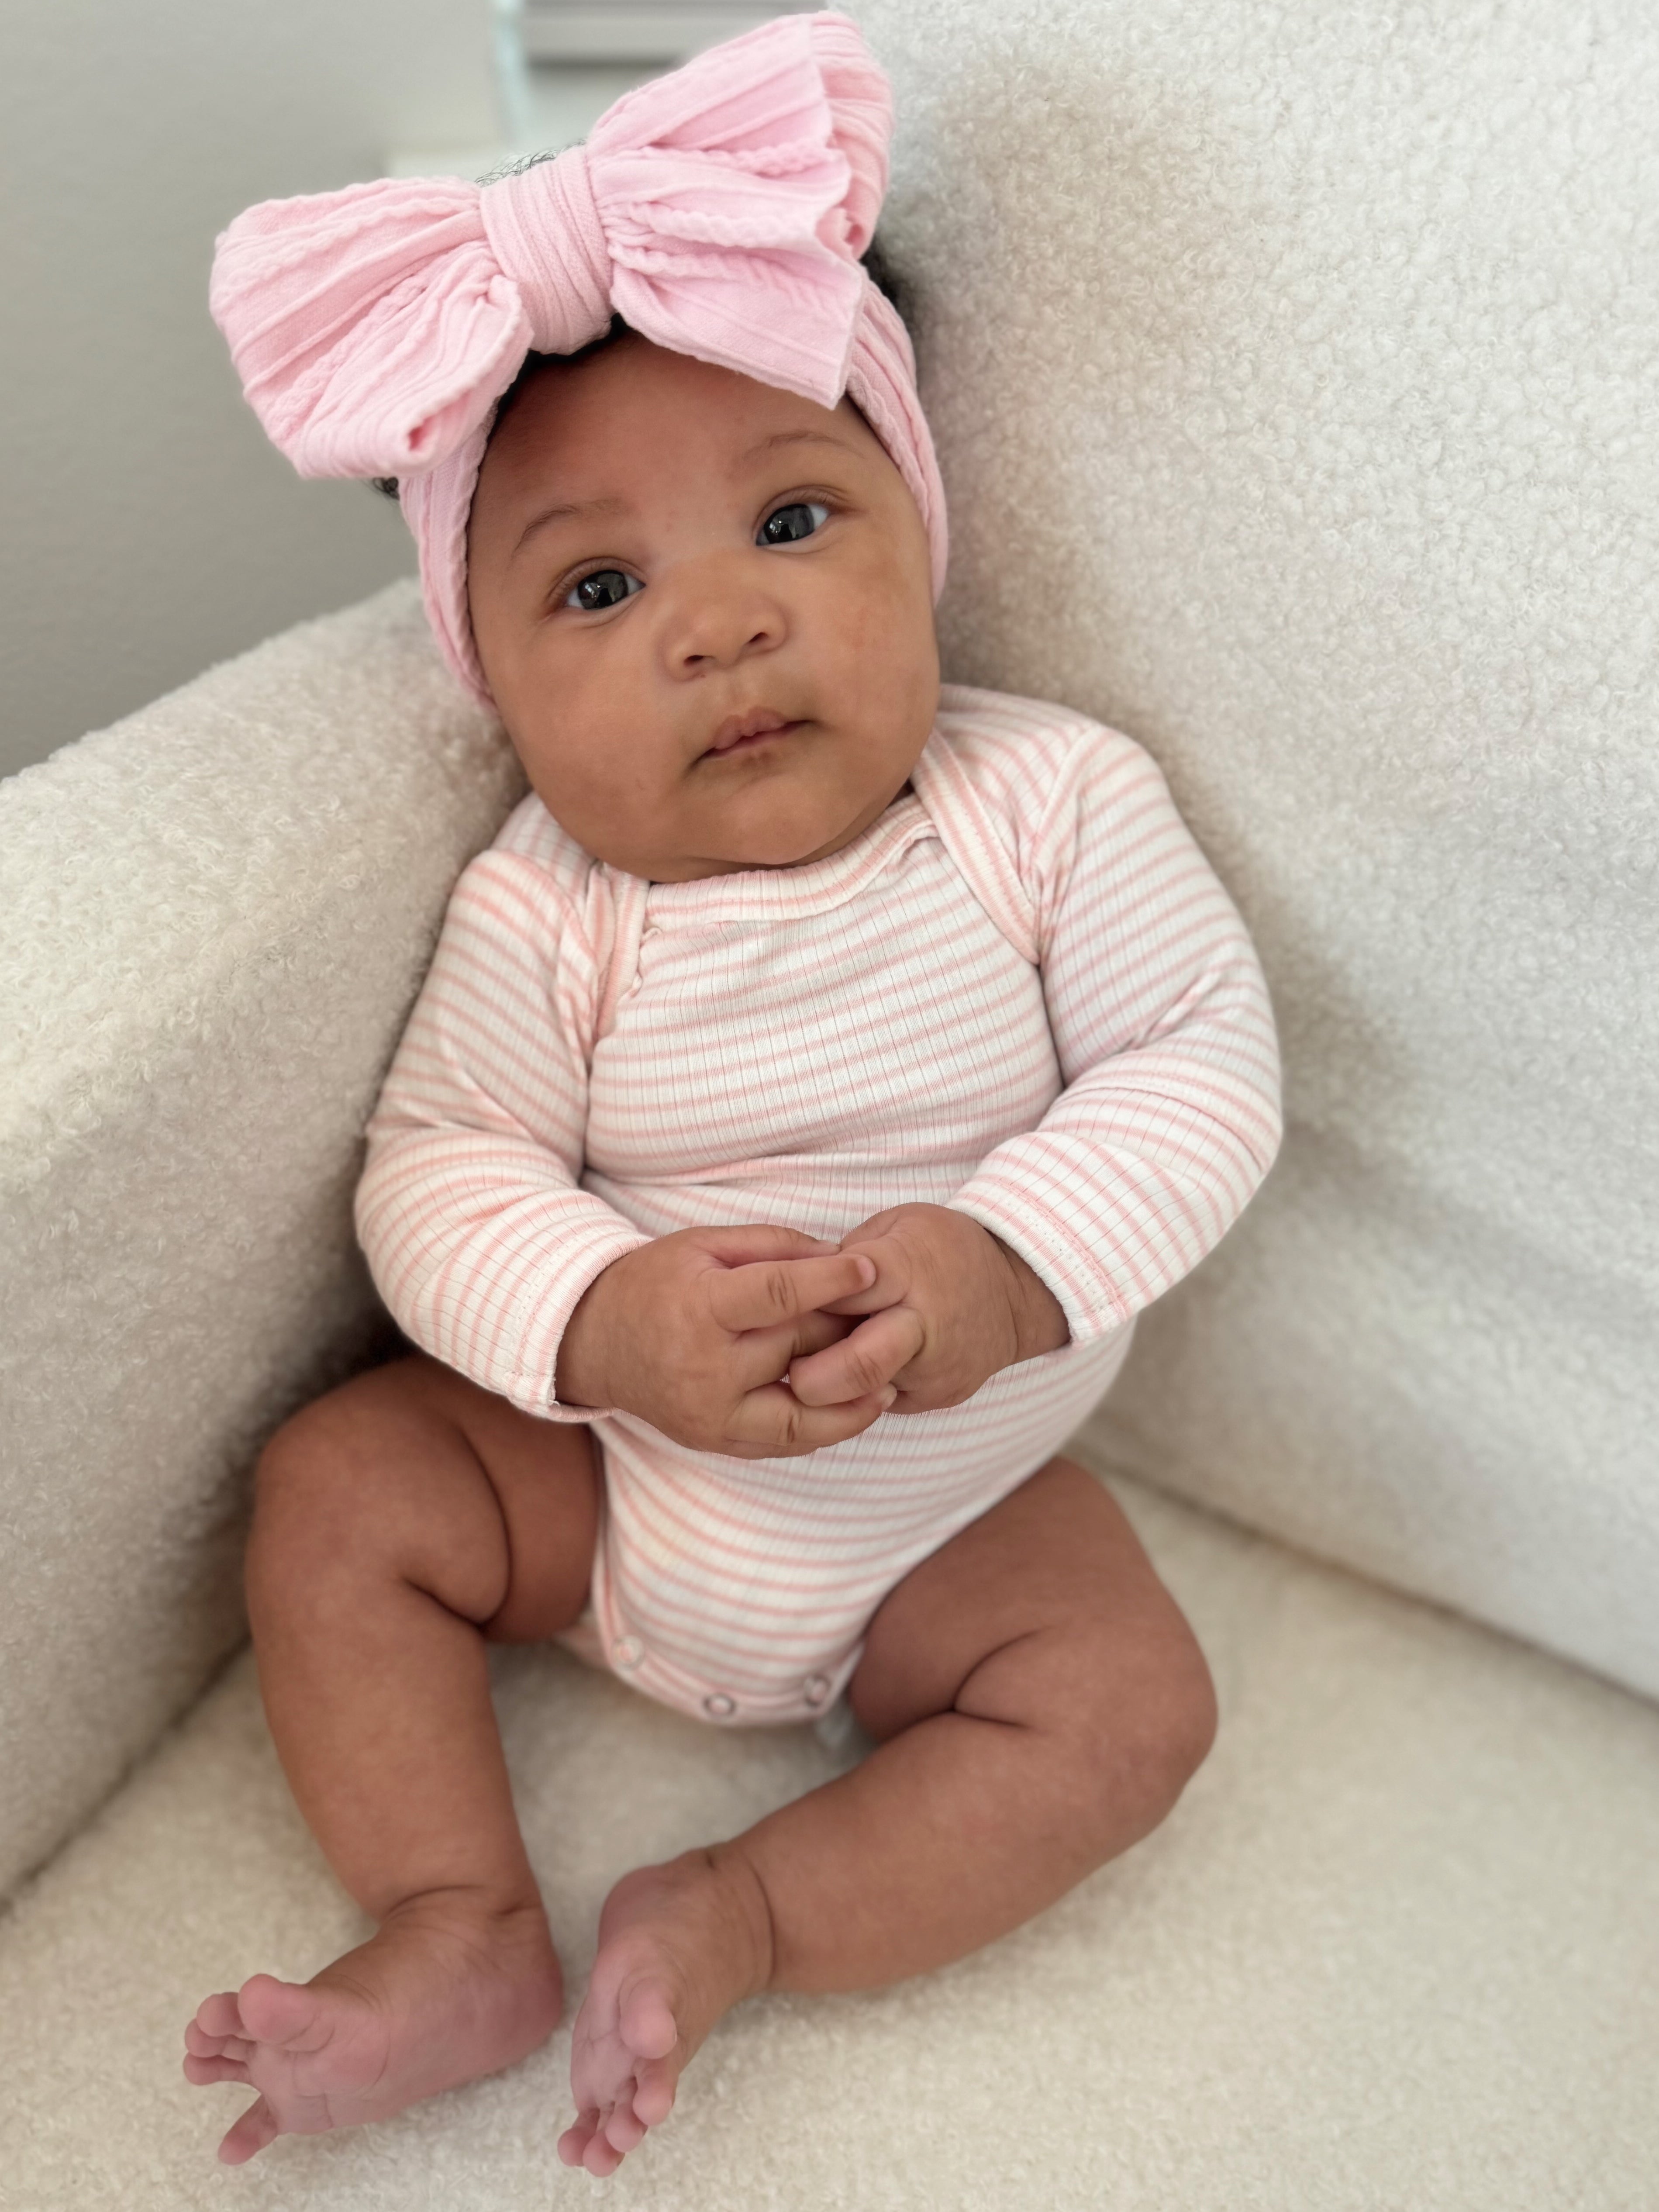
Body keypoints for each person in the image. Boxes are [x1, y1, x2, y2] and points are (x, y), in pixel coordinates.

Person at [186, 9, 1281, 2179]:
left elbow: (1201, 1061)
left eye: (792, 517)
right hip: (597, 1480)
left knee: (1133, 1708)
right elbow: (439, 1170)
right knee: (335, 1485)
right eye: (597, 588)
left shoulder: (1040, 800)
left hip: (944, 1513)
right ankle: (462, 1914)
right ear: (487, 682)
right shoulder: (546, 908)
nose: (717, 625)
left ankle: (752, 1907)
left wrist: (1000, 1263)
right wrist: (603, 1322)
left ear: (921, 542)